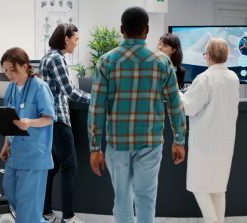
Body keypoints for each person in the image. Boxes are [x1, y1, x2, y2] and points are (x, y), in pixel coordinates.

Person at [88, 7, 186, 223]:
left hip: (117, 142)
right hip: (150, 143)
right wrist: (179, 140)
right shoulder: (162, 62)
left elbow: (97, 107)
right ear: (147, 30)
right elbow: (175, 104)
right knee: (146, 199)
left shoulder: (107, 61)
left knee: (122, 199)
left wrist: (94, 148)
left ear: (122, 29)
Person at [179, 38, 239, 223]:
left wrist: (177, 92)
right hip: (225, 142)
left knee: (200, 186)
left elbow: (188, 107)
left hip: (204, 144)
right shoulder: (233, 78)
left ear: (209, 56)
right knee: (218, 188)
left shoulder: (205, 78)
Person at [40, 23, 90, 223]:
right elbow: (70, 91)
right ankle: (68, 217)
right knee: (70, 167)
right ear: (66, 38)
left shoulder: (47, 57)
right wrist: (96, 98)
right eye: (76, 39)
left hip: (50, 121)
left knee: (51, 168)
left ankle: (46, 212)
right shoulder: (57, 59)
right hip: (59, 120)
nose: (77, 43)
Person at [0, 47, 55, 223]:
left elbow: (48, 119)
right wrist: (6, 144)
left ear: (25, 66)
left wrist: (29, 122)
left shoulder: (40, 87)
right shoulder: (10, 89)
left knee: (28, 206)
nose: (9, 74)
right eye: (5, 70)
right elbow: (9, 120)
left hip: (35, 155)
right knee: (10, 191)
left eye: (12, 70)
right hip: (15, 154)